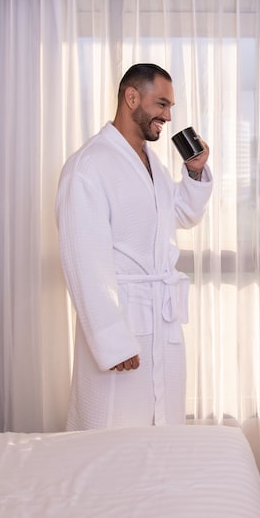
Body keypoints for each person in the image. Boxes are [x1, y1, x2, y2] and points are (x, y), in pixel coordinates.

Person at [56, 63, 212, 430]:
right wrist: (111, 340)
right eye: (162, 104)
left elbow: (180, 214)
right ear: (131, 98)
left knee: (162, 428)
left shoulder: (150, 162)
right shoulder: (88, 166)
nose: (168, 117)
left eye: (170, 107)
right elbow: (83, 260)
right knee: (114, 428)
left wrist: (194, 171)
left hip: (160, 320)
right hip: (123, 324)